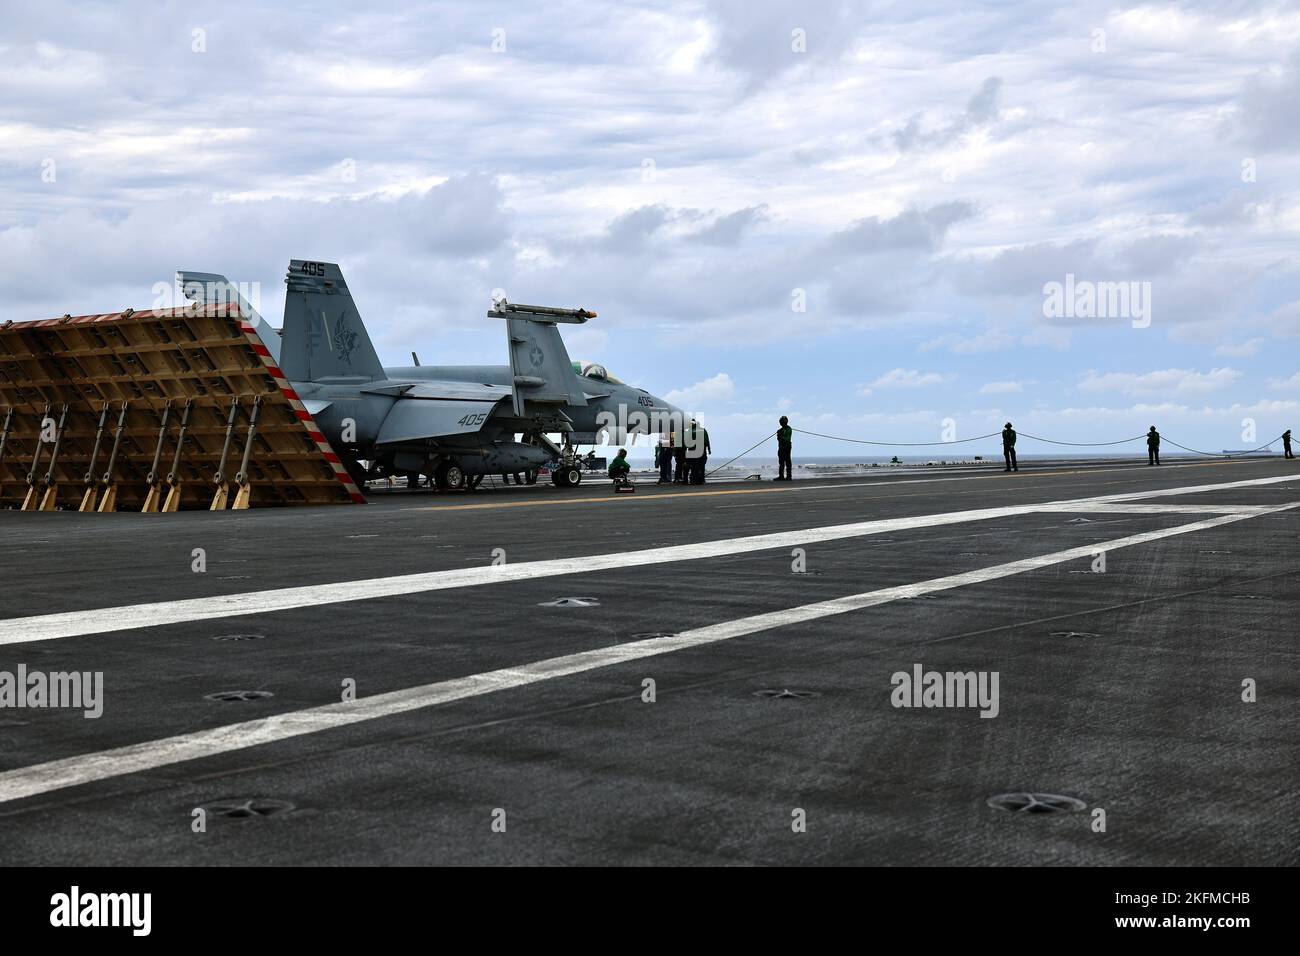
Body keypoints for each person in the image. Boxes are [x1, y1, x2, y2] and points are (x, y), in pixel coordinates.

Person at [684, 418, 711, 484]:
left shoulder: (689, 431)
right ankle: (701, 479)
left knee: (694, 466)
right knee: (701, 466)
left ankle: (693, 479)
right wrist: (709, 449)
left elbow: (686, 442)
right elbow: (707, 440)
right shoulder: (703, 430)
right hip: (702, 450)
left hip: (693, 450)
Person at [775, 416, 793, 480]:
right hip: (781, 447)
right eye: (781, 421)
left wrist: (780, 435)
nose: (781, 423)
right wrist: (778, 436)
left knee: (788, 462)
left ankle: (789, 476)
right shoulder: (780, 430)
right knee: (781, 462)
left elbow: (787, 439)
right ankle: (781, 476)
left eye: (782, 421)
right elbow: (779, 440)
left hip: (787, 447)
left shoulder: (788, 429)